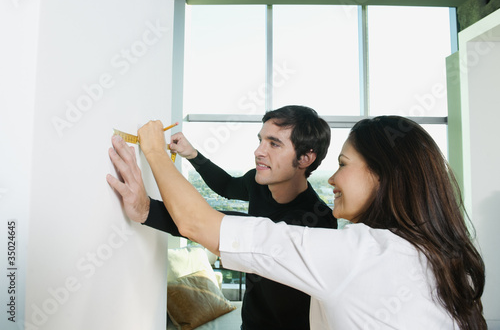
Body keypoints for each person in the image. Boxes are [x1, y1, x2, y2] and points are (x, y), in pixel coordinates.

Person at [107, 115, 486, 329]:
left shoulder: (352, 250)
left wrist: (154, 150)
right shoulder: (439, 258)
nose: (334, 179)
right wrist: (148, 207)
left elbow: (206, 224)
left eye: (343, 164)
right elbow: (226, 210)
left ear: (382, 176)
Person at [116, 105, 338, 330]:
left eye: (274, 143)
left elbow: (214, 226)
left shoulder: (316, 222)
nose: (258, 151)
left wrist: (148, 203)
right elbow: (226, 186)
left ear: (305, 158)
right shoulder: (259, 183)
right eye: (260, 140)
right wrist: (193, 154)